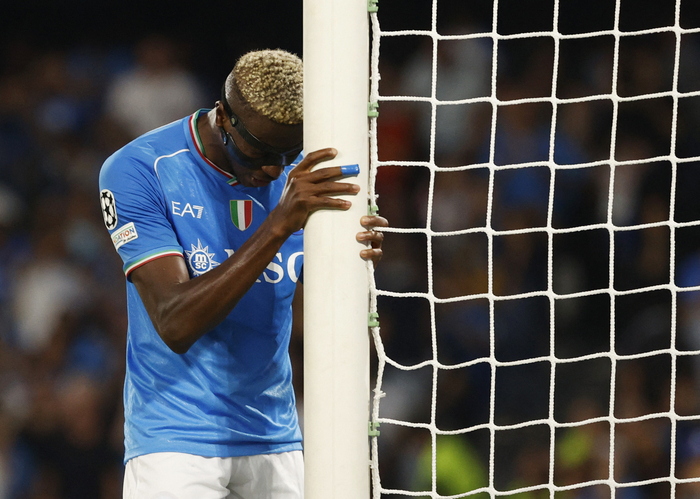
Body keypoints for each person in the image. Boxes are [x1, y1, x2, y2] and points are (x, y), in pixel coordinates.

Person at [98, 49, 387, 498]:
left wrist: (352, 255)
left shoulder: (302, 174)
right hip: (176, 438)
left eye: (286, 154)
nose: (273, 170)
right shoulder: (141, 168)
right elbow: (175, 322)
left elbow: (319, 304)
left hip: (275, 434)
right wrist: (277, 226)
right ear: (223, 118)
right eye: (260, 153)